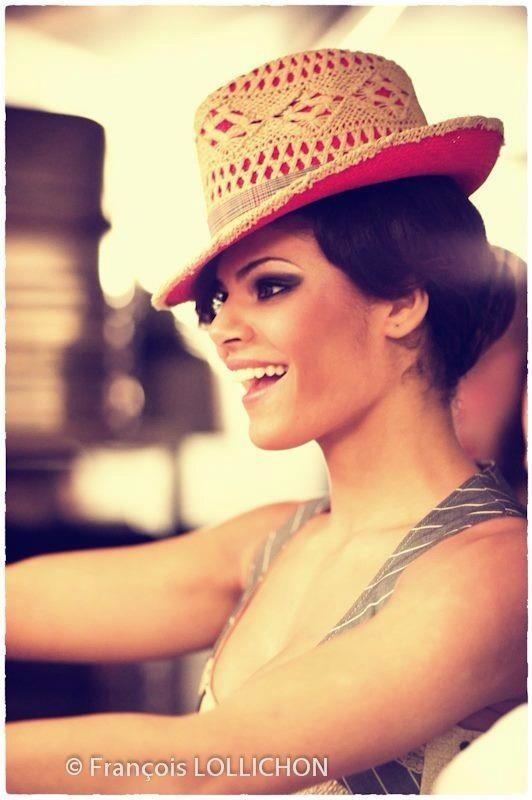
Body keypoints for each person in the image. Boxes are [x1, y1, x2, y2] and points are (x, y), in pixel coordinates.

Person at [6, 48, 526, 794]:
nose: (222, 331)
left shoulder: (496, 573)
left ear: (403, 300)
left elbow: (206, 766)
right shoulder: (272, 542)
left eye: (270, 286)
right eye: (219, 300)